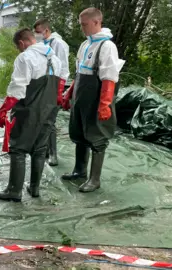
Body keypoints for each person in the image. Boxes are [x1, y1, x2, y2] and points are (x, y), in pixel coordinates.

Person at [61, 7, 125, 193]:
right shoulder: (85, 45)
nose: (82, 28)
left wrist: (105, 104)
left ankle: (94, 179)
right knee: (79, 132)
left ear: (96, 22)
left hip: (97, 96)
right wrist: (69, 94)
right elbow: (80, 72)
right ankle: (79, 170)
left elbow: (109, 77)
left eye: (85, 24)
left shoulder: (107, 46)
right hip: (81, 95)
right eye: (81, 25)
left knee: (97, 136)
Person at [0, 28, 62, 202]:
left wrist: (3, 111)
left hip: (28, 110)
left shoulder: (25, 58)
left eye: (19, 47)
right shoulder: (55, 59)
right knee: (39, 150)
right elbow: (59, 85)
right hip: (49, 110)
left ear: (22, 43)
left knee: (18, 149)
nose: (19, 50)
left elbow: (17, 89)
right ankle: (34, 188)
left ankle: (14, 191)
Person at [33, 18, 70, 166]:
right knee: (41, 118)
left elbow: (64, 68)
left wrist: (59, 89)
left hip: (54, 84)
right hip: (43, 82)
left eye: (38, 32)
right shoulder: (42, 44)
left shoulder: (59, 44)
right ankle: (45, 150)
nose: (36, 35)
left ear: (46, 31)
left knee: (50, 120)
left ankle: (53, 154)